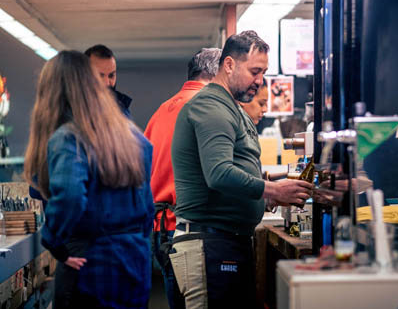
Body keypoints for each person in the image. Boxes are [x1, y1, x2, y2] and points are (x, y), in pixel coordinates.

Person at [170, 31, 312, 308]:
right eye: (255, 71)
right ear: (229, 65)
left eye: (264, 72)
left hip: (226, 241)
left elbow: (234, 171)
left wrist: (264, 196)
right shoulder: (211, 107)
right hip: (208, 242)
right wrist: (272, 189)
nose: (260, 81)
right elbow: (219, 173)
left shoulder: (230, 109)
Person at [23, 50, 154, 309]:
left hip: (90, 259)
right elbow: (147, 203)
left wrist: (54, 242)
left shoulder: (69, 136)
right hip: (135, 259)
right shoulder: (130, 133)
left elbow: (70, 195)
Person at [144, 47, 222, 309]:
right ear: (214, 74)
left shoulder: (161, 111)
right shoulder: (206, 109)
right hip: (190, 229)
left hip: (161, 228)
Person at [84, 44, 132, 117]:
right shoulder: (74, 110)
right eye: (100, 76)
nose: (107, 83)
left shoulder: (122, 108)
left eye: (111, 75)